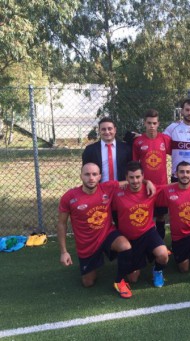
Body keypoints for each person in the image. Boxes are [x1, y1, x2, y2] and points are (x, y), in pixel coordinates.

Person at [57, 163, 134, 298]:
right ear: (81, 176)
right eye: (87, 174)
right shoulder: (69, 197)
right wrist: (64, 252)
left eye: (94, 174)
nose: (91, 178)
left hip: (107, 234)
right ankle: (94, 262)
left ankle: (119, 281)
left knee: (125, 246)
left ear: (100, 177)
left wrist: (147, 181)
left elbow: (132, 181)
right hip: (87, 244)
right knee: (88, 282)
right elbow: (61, 224)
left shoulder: (107, 188)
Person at [112, 161, 169, 287]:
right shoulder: (117, 193)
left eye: (138, 177)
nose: (135, 181)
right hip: (128, 237)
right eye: (131, 177)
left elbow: (172, 188)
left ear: (143, 176)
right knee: (133, 279)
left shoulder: (151, 189)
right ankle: (139, 257)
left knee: (163, 255)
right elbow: (101, 191)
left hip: (147, 232)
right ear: (126, 178)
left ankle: (158, 270)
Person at [132, 109, 171, 240]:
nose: (152, 126)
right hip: (144, 186)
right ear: (145, 123)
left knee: (160, 216)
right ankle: (147, 244)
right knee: (146, 216)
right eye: (149, 123)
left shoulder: (165, 139)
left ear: (158, 124)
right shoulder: (138, 142)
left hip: (161, 186)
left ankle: (161, 243)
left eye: (154, 123)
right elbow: (134, 165)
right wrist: (142, 181)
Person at [82, 117, 132, 182]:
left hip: (121, 187)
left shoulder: (126, 148)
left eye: (110, 129)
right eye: (103, 129)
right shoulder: (90, 150)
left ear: (115, 130)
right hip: (99, 188)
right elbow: (86, 172)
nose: (107, 132)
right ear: (99, 131)